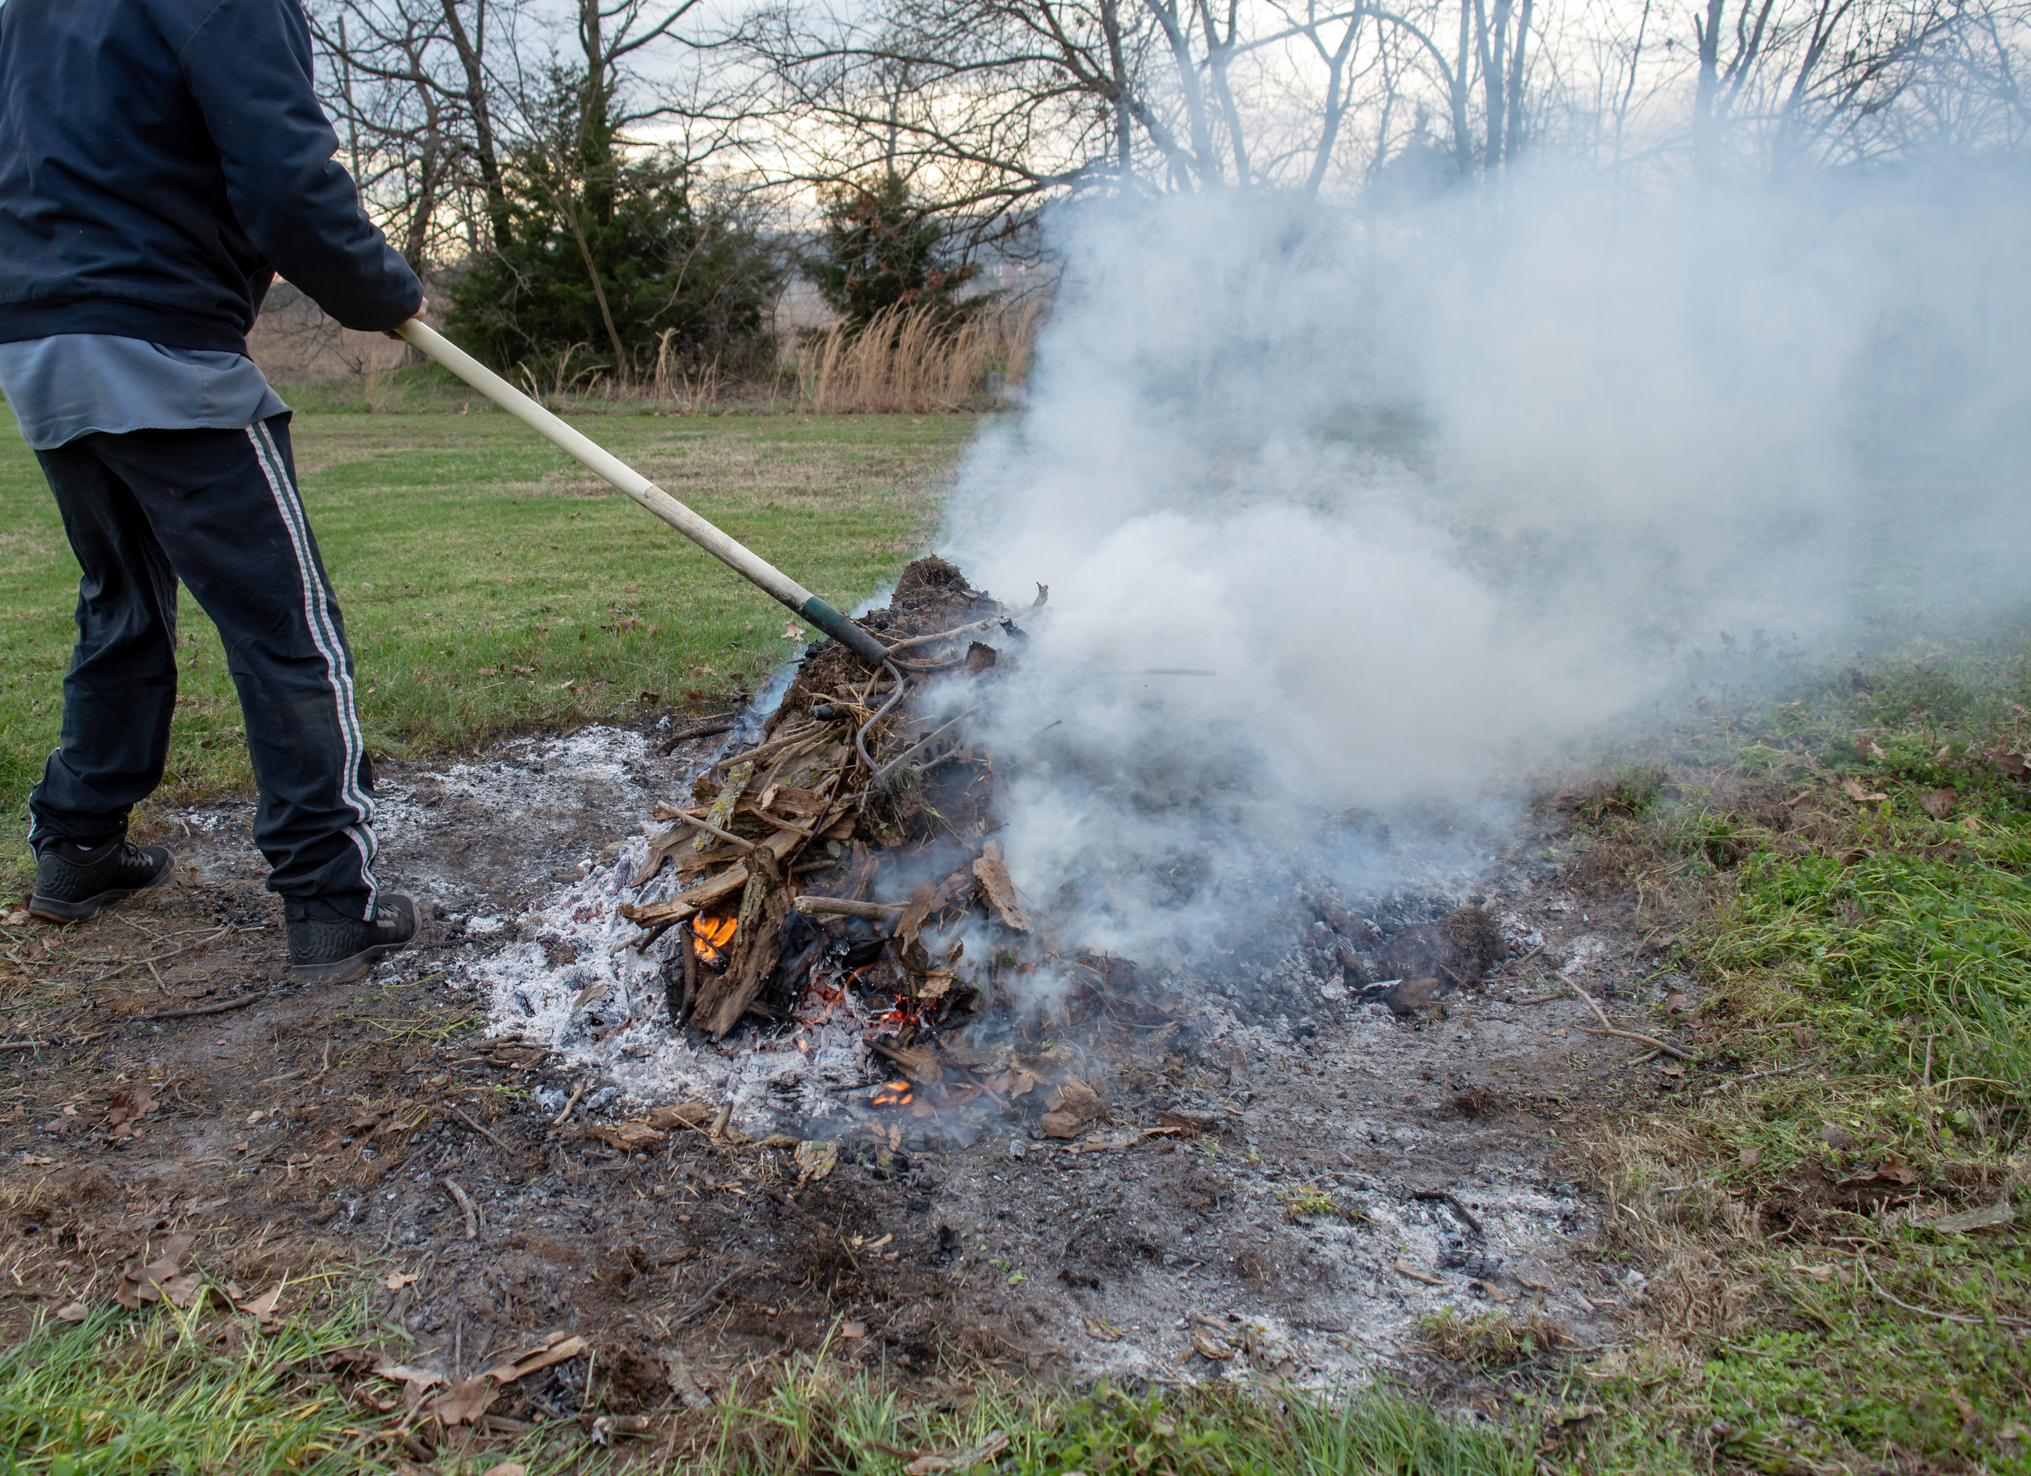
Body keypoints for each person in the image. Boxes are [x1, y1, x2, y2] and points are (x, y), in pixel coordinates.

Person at [0, 0, 422, 982]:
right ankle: (331, 903)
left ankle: (76, 847)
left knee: (125, 600)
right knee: (291, 628)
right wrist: (384, 293)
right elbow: (284, 180)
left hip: (35, 337)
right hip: (158, 338)